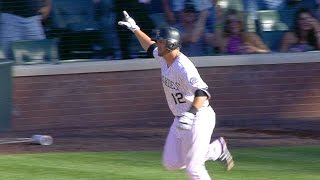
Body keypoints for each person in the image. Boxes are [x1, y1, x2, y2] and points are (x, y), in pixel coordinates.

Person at [118, 11, 234, 180]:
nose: (158, 43)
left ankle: (213, 151)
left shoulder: (183, 67)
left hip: (198, 117)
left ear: (171, 44)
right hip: (180, 117)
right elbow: (149, 46)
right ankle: (216, 149)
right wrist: (135, 29)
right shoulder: (163, 56)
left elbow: (202, 92)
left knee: (194, 168)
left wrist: (191, 113)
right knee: (171, 163)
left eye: (162, 41)